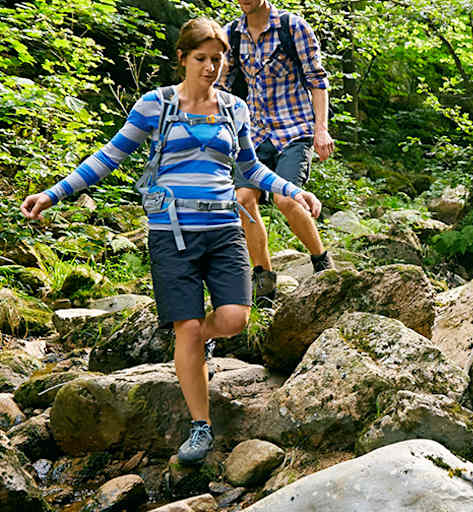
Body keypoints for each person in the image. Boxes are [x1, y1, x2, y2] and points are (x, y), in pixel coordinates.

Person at [19, 17, 317, 465]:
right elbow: (109, 156)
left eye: (218, 59)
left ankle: (202, 343)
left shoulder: (236, 109)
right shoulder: (154, 105)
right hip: (171, 234)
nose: (210, 67)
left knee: (234, 318)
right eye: (201, 59)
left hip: (223, 230)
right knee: (187, 328)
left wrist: (294, 190)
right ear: (182, 58)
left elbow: (251, 169)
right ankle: (201, 426)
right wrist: (54, 193)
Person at [224, 0, 335, 299]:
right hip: (254, 134)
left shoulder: (293, 27)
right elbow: (220, 85)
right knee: (243, 199)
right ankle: (264, 281)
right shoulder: (232, 34)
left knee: (286, 199)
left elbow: (317, 80)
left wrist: (320, 129)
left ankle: (322, 261)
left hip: (295, 128)